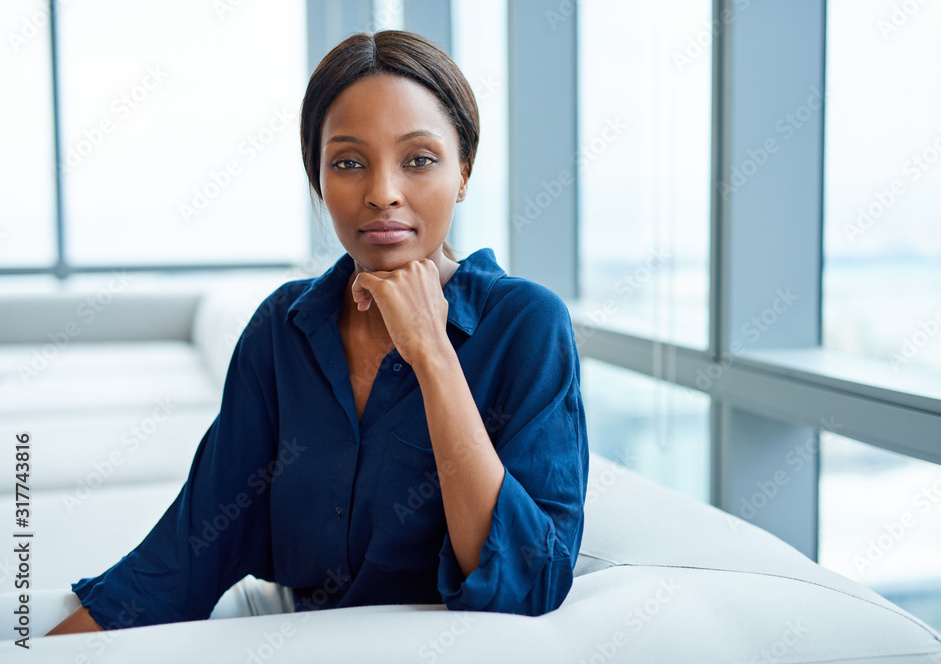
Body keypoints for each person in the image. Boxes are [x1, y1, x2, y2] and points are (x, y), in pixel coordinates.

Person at [48, 29, 588, 635]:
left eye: (419, 159)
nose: (383, 193)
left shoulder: (526, 326)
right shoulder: (283, 331)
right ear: (318, 178)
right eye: (349, 162)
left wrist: (433, 353)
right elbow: (183, 561)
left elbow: (527, 584)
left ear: (463, 171)